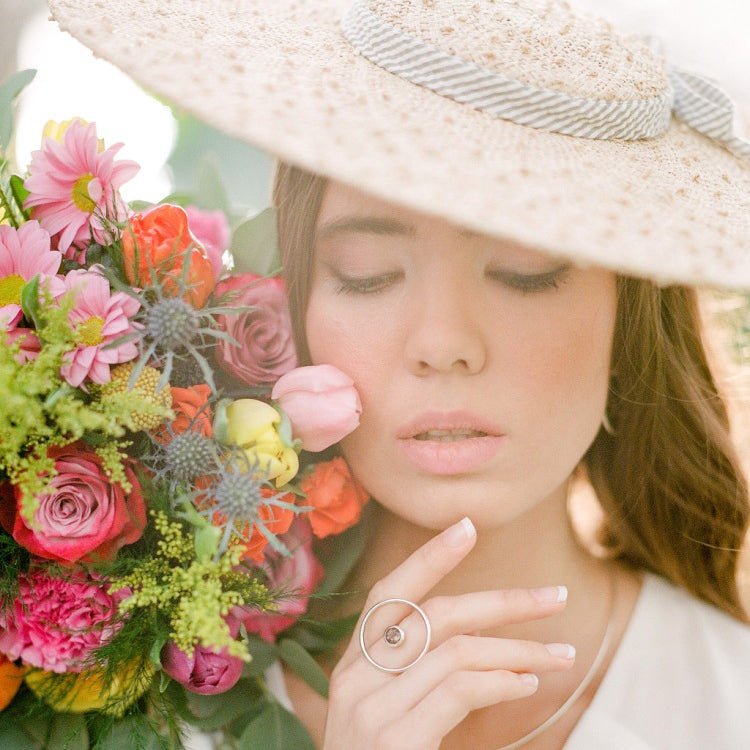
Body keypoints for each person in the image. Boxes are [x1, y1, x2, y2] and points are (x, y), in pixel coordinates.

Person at [47, 0, 750, 748]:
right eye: (370, 275)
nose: (444, 343)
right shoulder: (135, 689)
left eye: (523, 273)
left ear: (630, 321)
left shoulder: (728, 697)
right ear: (294, 295)